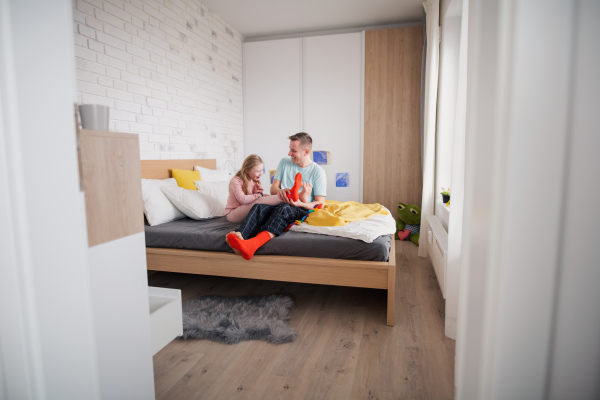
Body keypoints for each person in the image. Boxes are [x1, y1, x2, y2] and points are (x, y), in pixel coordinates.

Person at [226, 132, 327, 260]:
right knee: (259, 206)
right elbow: (274, 189)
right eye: (289, 149)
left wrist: (299, 203)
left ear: (306, 152)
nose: (289, 153)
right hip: (280, 201)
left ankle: (252, 245)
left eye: (293, 150)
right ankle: (240, 239)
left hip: (301, 207)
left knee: (285, 208)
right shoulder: (284, 162)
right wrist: (280, 191)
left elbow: (320, 204)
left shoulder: (318, 172)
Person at [225, 154, 285, 223]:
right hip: (233, 213)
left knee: (266, 198)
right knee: (257, 202)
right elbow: (242, 199)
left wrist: (258, 193)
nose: (261, 173)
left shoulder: (254, 180)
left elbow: (251, 198)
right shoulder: (235, 180)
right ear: (247, 170)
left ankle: (284, 201)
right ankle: (286, 197)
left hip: (244, 209)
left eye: (262, 170)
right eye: (257, 171)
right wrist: (257, 196)